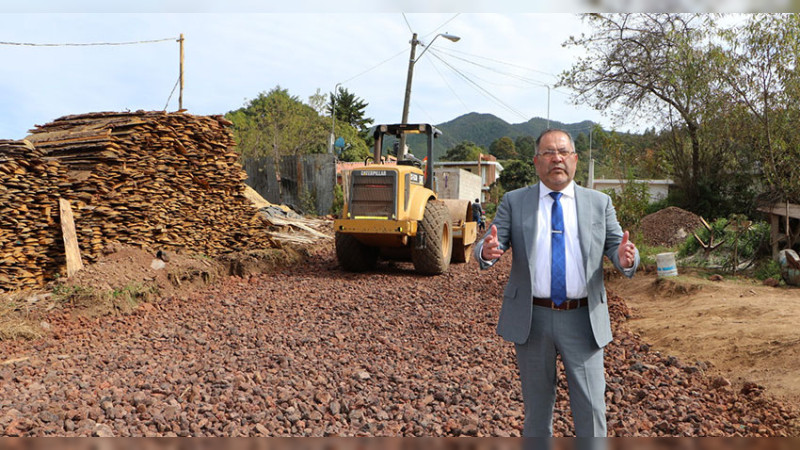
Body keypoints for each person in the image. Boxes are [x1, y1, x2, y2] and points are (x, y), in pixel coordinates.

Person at [474, 128, 639, 437]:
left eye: (563, 152)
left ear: (575, 159)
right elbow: (491, 243)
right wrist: (486, 251)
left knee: (591, 409)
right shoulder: (515, 201)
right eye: (549, 153)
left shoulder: (599, 203)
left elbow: (619, 249)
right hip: (532, 319)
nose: (557, 159)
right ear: (537, 161)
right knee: (537, 410)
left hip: (583, 319)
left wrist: (626, 258)